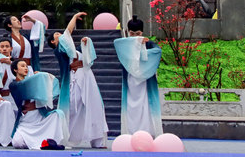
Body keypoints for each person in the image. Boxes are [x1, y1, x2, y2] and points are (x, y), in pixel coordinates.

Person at [47, 12, 108, 148]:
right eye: (57, 35)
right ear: (53, 42)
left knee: (95, 104)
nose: (60, 35)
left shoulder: (72, 50)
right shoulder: (59, 50)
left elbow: (86, 59)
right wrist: (74, 18)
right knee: (74, 108)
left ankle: (97, 140)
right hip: (73, 79)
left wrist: (85, 44)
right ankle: (66, 137)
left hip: (87, 77)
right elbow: (67, 33)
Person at [114, 16, 163, 137]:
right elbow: (117, 44)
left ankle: (148, 133)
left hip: (146, 81)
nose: (135, 36)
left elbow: (158, 52)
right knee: (131, 108)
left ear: (142, 32)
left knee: (146, 107)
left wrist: (143, 51)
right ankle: (131, 133)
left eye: (138, 33)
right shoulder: (125, 44)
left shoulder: (148, 43)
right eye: (132, 33)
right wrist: (135, 43)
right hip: (130, 82)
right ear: (128, 32)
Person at [9, 59, 66, 149]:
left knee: (58, 114)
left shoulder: (35, 82)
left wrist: (41, 79)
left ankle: (47, 143)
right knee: (17, 143)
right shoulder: (13, 85)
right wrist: (38, 78)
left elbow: (51, 89)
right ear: (15, 70)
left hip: (38, 118)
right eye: (22, 66)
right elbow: (22, 86)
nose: (26, 68)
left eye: (27, 66)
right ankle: (38, 142)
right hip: (25, 121)